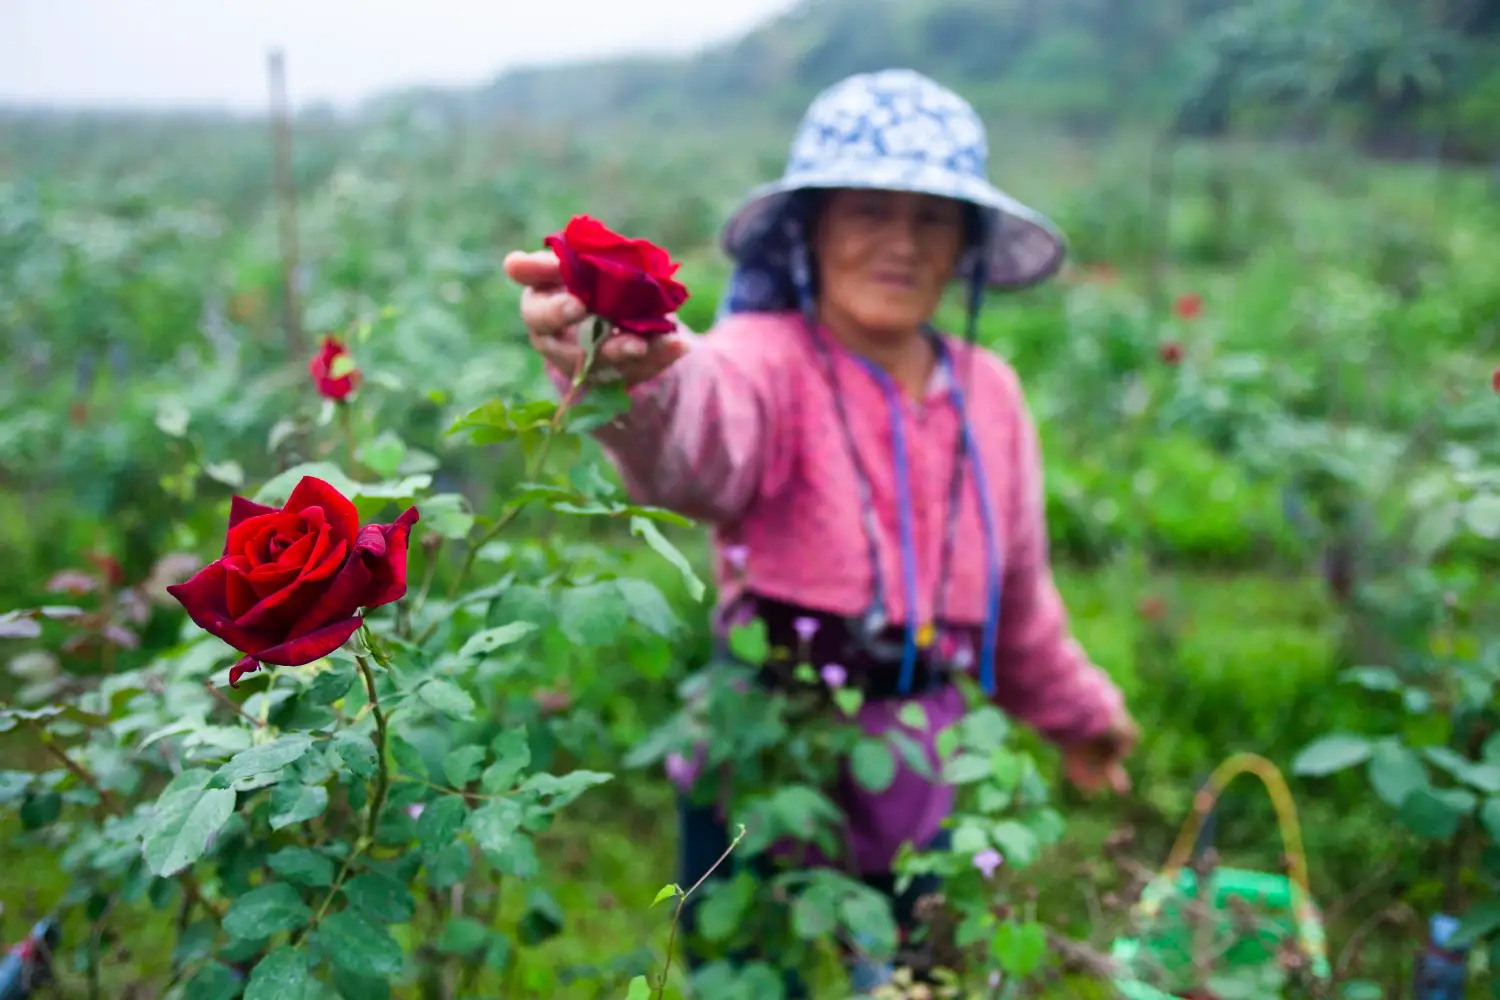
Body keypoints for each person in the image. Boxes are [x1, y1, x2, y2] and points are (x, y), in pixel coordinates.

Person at [504, 68, 1138, 995]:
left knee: (918, 974)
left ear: (964, 242)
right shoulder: (766, 359)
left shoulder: (988, 394)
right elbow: (694, 442)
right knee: (759, 973)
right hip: (769, 748)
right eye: (868, 210)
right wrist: (622, 377)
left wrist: (1081, 715)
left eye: (931, 217)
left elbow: (1020, 593)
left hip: (926, 761)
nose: (901, 243)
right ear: (812, 228)